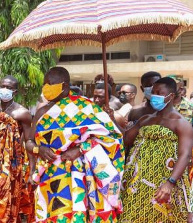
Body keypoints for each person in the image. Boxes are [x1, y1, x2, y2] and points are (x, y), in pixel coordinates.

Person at [26, 67, 125, 222]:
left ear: (64, 86)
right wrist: (40, 149)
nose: (45, 88)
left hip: (82, 174)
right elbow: (29, 142)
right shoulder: (42, 112)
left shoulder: (87, 108)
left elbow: (112, 138)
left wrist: (80, 149)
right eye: (44, 84)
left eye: (50, 84)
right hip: (51, 174)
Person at [119, 77, 193, 222]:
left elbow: (185, 155)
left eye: (159, 92)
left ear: (170, 96)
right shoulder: (145, 119)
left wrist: (170, 182)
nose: (154, 96)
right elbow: (126, 140)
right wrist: (112, 120)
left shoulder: (181, 124)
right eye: (153, 92)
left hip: (163, 185)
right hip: (136, 184)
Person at [0, 76, 32, 222]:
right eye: (3, 86)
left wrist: (32, 169)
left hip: (11, 165)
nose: (5, 90)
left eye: (9, 88)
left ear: (15, 91)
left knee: (8, 198)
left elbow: (29, 141)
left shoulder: (22, 113)